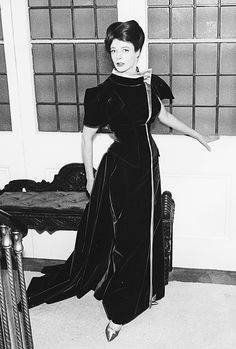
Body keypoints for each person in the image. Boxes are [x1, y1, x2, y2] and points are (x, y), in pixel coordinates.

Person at [25, 20, 217, 342]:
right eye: (113, 50)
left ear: (138, 50)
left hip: (148, 168)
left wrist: (198, 135)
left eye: (125, 49)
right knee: (124, 240)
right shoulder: (104, 94)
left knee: (147, 231)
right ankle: (119, 312)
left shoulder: (148, 83)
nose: (118, 56)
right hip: (120, 172)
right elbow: (86, 139)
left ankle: (146, 292)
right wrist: (89, 177)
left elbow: (164, 117)